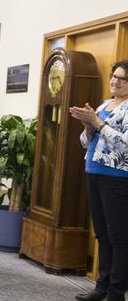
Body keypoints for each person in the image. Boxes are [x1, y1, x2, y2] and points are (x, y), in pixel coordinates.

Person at [70, 60, 128, 301]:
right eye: (114, 76)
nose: (115, 81)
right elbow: (87, 142)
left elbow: (125, 145)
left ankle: (116, 292)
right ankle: (101, 287)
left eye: (122, 78)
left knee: (119, 237)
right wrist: (87, 126)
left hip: (117, 177)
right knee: (102, 234)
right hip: (94, 171)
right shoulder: (105, 104)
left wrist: (97, 123)